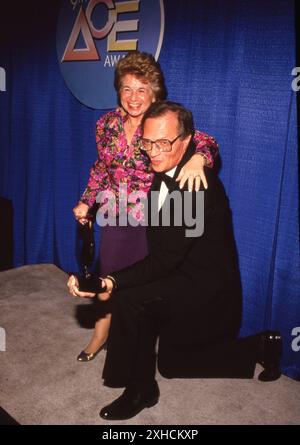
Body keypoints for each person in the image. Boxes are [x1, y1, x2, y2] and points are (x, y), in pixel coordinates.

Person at [70, 101, 282, 420]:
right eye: (148, 141)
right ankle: (258, 347)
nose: (153, 151)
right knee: (171, 364)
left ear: (185, 142)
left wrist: (109, 282)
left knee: (131, 297)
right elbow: (162, 251)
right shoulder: (165, 170)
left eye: (164, 142)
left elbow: (164, 260)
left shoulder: (193, 188)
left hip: (206, 288)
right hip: (179, 274)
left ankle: (141, 389)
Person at [68, 52, 219, 362]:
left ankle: (138, 342)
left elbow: (206, 141)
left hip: (153, 217)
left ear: (155, 92)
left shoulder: (162, 121)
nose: (133, 97)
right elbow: (100, 168)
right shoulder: (106, 124)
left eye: (141, 89)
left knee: (140, 283)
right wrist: (87, 200)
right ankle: (101, 333)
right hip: (115, 214)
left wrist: (197, 159)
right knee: (107, 277)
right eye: (126, 88)